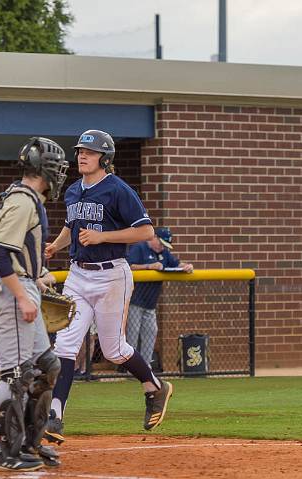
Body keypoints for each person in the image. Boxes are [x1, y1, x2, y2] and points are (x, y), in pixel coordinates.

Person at [44, 129, 174, 441]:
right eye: (79, 152)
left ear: (105, 158)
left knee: (114, 350)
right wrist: (56, 246)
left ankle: (155, 387)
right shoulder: (74, 190)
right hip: (78, 274)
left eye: (89, 152)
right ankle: (54, 415)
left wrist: (103, 236)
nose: (82, 156)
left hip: (111, 275)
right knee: (64, 345)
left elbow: (144, 232)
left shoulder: (118, 190)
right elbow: (70, 227)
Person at [0, 137, 69, 471]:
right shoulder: (22, 201)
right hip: (11, 293)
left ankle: (29, 445)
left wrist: (37, 277)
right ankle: (3, 451)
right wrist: (22, 295)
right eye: (58, 167)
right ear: (44, 168)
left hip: (24, 285)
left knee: (48, 366)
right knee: (16, 374)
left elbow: (21, 253)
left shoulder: (32, 200)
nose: (61, 174)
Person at [127, 227, 193, 368]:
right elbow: (129, 266)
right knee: (132, 335)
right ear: (154, 238)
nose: (162, 247)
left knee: (151, 332)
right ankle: (130, 367)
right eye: (161, 243)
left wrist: (186, 266)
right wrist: (149, 266)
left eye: (165, 245)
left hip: (150, 303)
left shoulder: (164, 253)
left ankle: (145, 367)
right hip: (134, 300)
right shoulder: (139, 248)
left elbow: (176, 264)